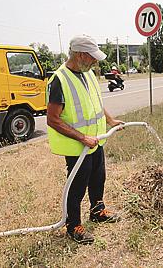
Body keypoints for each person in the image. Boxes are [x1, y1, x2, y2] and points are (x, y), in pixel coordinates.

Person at [47, 34, 124, 244]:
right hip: (77, 146)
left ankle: (97, 211)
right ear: (80, 54)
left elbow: (95, 104)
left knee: (98, 177)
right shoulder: (59, 80)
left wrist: (110, 120)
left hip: (95, 141)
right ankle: (74, 226)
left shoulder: (87, 73)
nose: (96, 61)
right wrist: (82, 137)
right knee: (77, 185)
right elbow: (53, 120)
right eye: (93, 57)